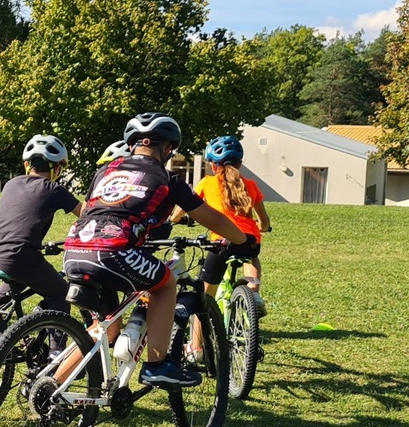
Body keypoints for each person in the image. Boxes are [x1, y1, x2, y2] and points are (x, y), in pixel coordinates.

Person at [62, 113, 250, 387]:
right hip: (113, 251)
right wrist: (242, 239)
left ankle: (52, 383)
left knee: (105, 326)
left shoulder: (105, 172)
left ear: (131, 145)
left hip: (74, 250)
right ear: (168, 148)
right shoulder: (166, 178)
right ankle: (157, 366)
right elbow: (213, 219)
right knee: (165, 284)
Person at [0, 134, 83, 313]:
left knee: (18, 275)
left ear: (27, 164)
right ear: (57, 168)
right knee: (61, 296)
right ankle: (51, 331)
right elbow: (87, 214)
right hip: (20, 257)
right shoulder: (54, 190)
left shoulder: (11, 184)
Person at [187, 135, 272, 297]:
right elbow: (264, 221)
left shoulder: (207, 182)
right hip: (249, 241)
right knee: (252, 257)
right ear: (239, 164)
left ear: (213, 164)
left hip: (222, 241)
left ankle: (205, 309)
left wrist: (176, 219)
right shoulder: (251, 185)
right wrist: (263, 227)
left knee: (205, 296)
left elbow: (182, 209)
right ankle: (253, 292)